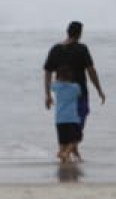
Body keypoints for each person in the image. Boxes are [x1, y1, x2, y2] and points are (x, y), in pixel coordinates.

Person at [43, 20, 105, 149]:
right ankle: (69, 150)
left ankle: (67, 151)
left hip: (62, 96)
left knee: (65, 122)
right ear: (80, 34)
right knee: (78, 124)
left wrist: (48, 94)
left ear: (67, 32)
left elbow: (47, 72)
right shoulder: (81, 49)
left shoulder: (56, 49)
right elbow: (91, 71)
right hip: (79, 93)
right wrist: (99, 89)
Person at [49, 67, 84, 163]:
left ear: (58, 76)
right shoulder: (75, 87)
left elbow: (50, 85)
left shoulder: (56, 86)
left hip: (59, 119)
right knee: (77, 137)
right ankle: (66, 153)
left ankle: (63, 157)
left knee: (62, 141)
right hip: (72, 118)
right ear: (71, 76)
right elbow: (79, 95)